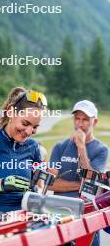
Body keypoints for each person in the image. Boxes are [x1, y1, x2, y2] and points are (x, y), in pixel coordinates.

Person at [48, 100, 109, 246]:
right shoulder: (60, 146)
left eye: (85, 119)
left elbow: (93, 180)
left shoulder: (102, 149)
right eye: (77, 118)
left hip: (87, 216)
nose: (80, 124)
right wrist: (82, 185)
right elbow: (50, 184)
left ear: (95, 122)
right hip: (60, 213)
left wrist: (81, 148)